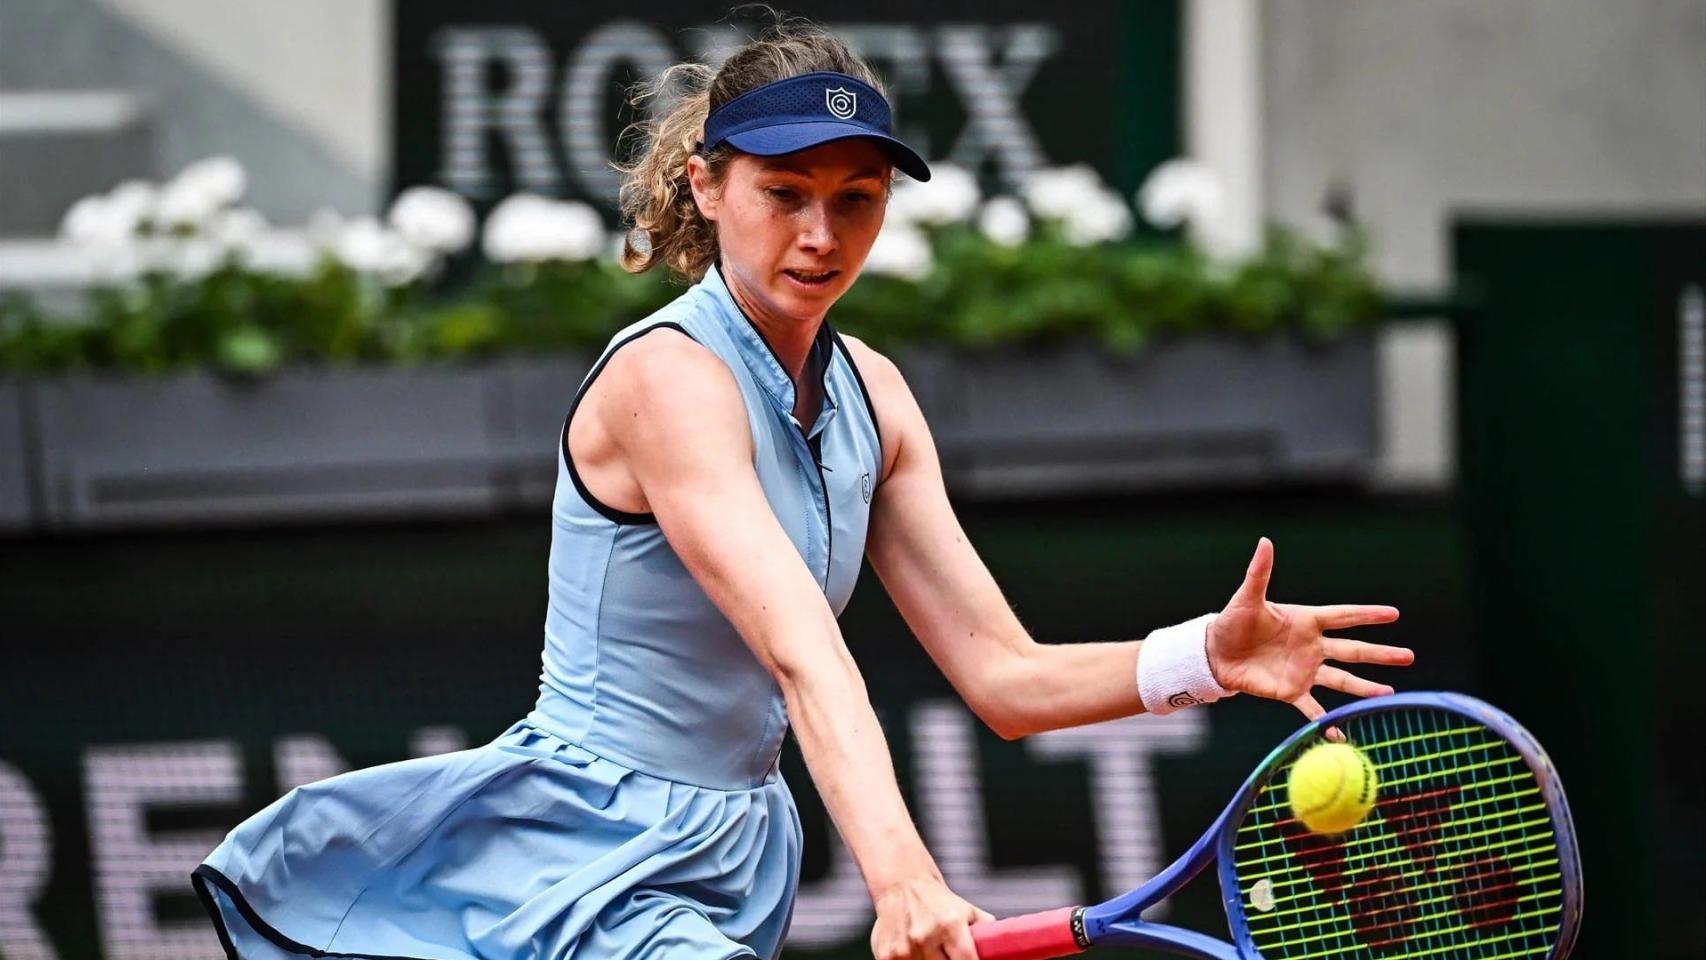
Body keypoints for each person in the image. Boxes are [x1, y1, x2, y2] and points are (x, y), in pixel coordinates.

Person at [192, 17, 1412, 960]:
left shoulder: (874, 397)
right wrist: (903, 878)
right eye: (783, 195)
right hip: (583, 854)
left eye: (853, 201)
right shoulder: (667, 382)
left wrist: (1204, 657)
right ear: (706, 187)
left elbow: (1004, 679)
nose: (819, 236)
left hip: (736, 853)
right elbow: (803, 658)